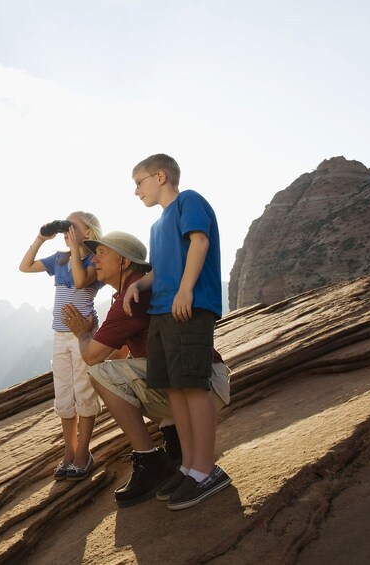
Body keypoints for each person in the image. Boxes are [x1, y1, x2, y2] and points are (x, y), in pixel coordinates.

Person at [62, 230, 230, 508]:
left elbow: (93, 358)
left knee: (100, 374)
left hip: (200, 385)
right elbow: (122, 353)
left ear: (125, 262)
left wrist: (83, 335)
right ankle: (176, 440)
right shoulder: (134, 290)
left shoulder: (134, 294)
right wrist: (95, 337)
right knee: (124, 370)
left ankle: (150, 460)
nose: (94, 259)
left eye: (102, 253)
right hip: (206, 379)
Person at [122, 153, 230, 510]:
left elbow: (199, 242)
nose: (136, 191)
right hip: (161, 312)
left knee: (192, 386)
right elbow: (161, 269)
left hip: (188, 307)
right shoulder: (157, 226)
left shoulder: (189, 201)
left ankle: (206, 469)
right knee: (174, 389)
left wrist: (186, 290)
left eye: (139, 182)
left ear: (160, 175)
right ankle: (188, 466)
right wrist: (139, 285)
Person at [20, 211, 105, 481]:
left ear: (88, 233)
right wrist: (40, 239)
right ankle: (68, 453)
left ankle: (83, 453)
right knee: (64, 395)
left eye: (73, 225)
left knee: (84, 392)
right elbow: (25, 266)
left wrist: (74, 249)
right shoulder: (60, 259)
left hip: (82, 336)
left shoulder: (96, 260)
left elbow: (80, 282)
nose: (67, 229)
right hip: (59, 336)